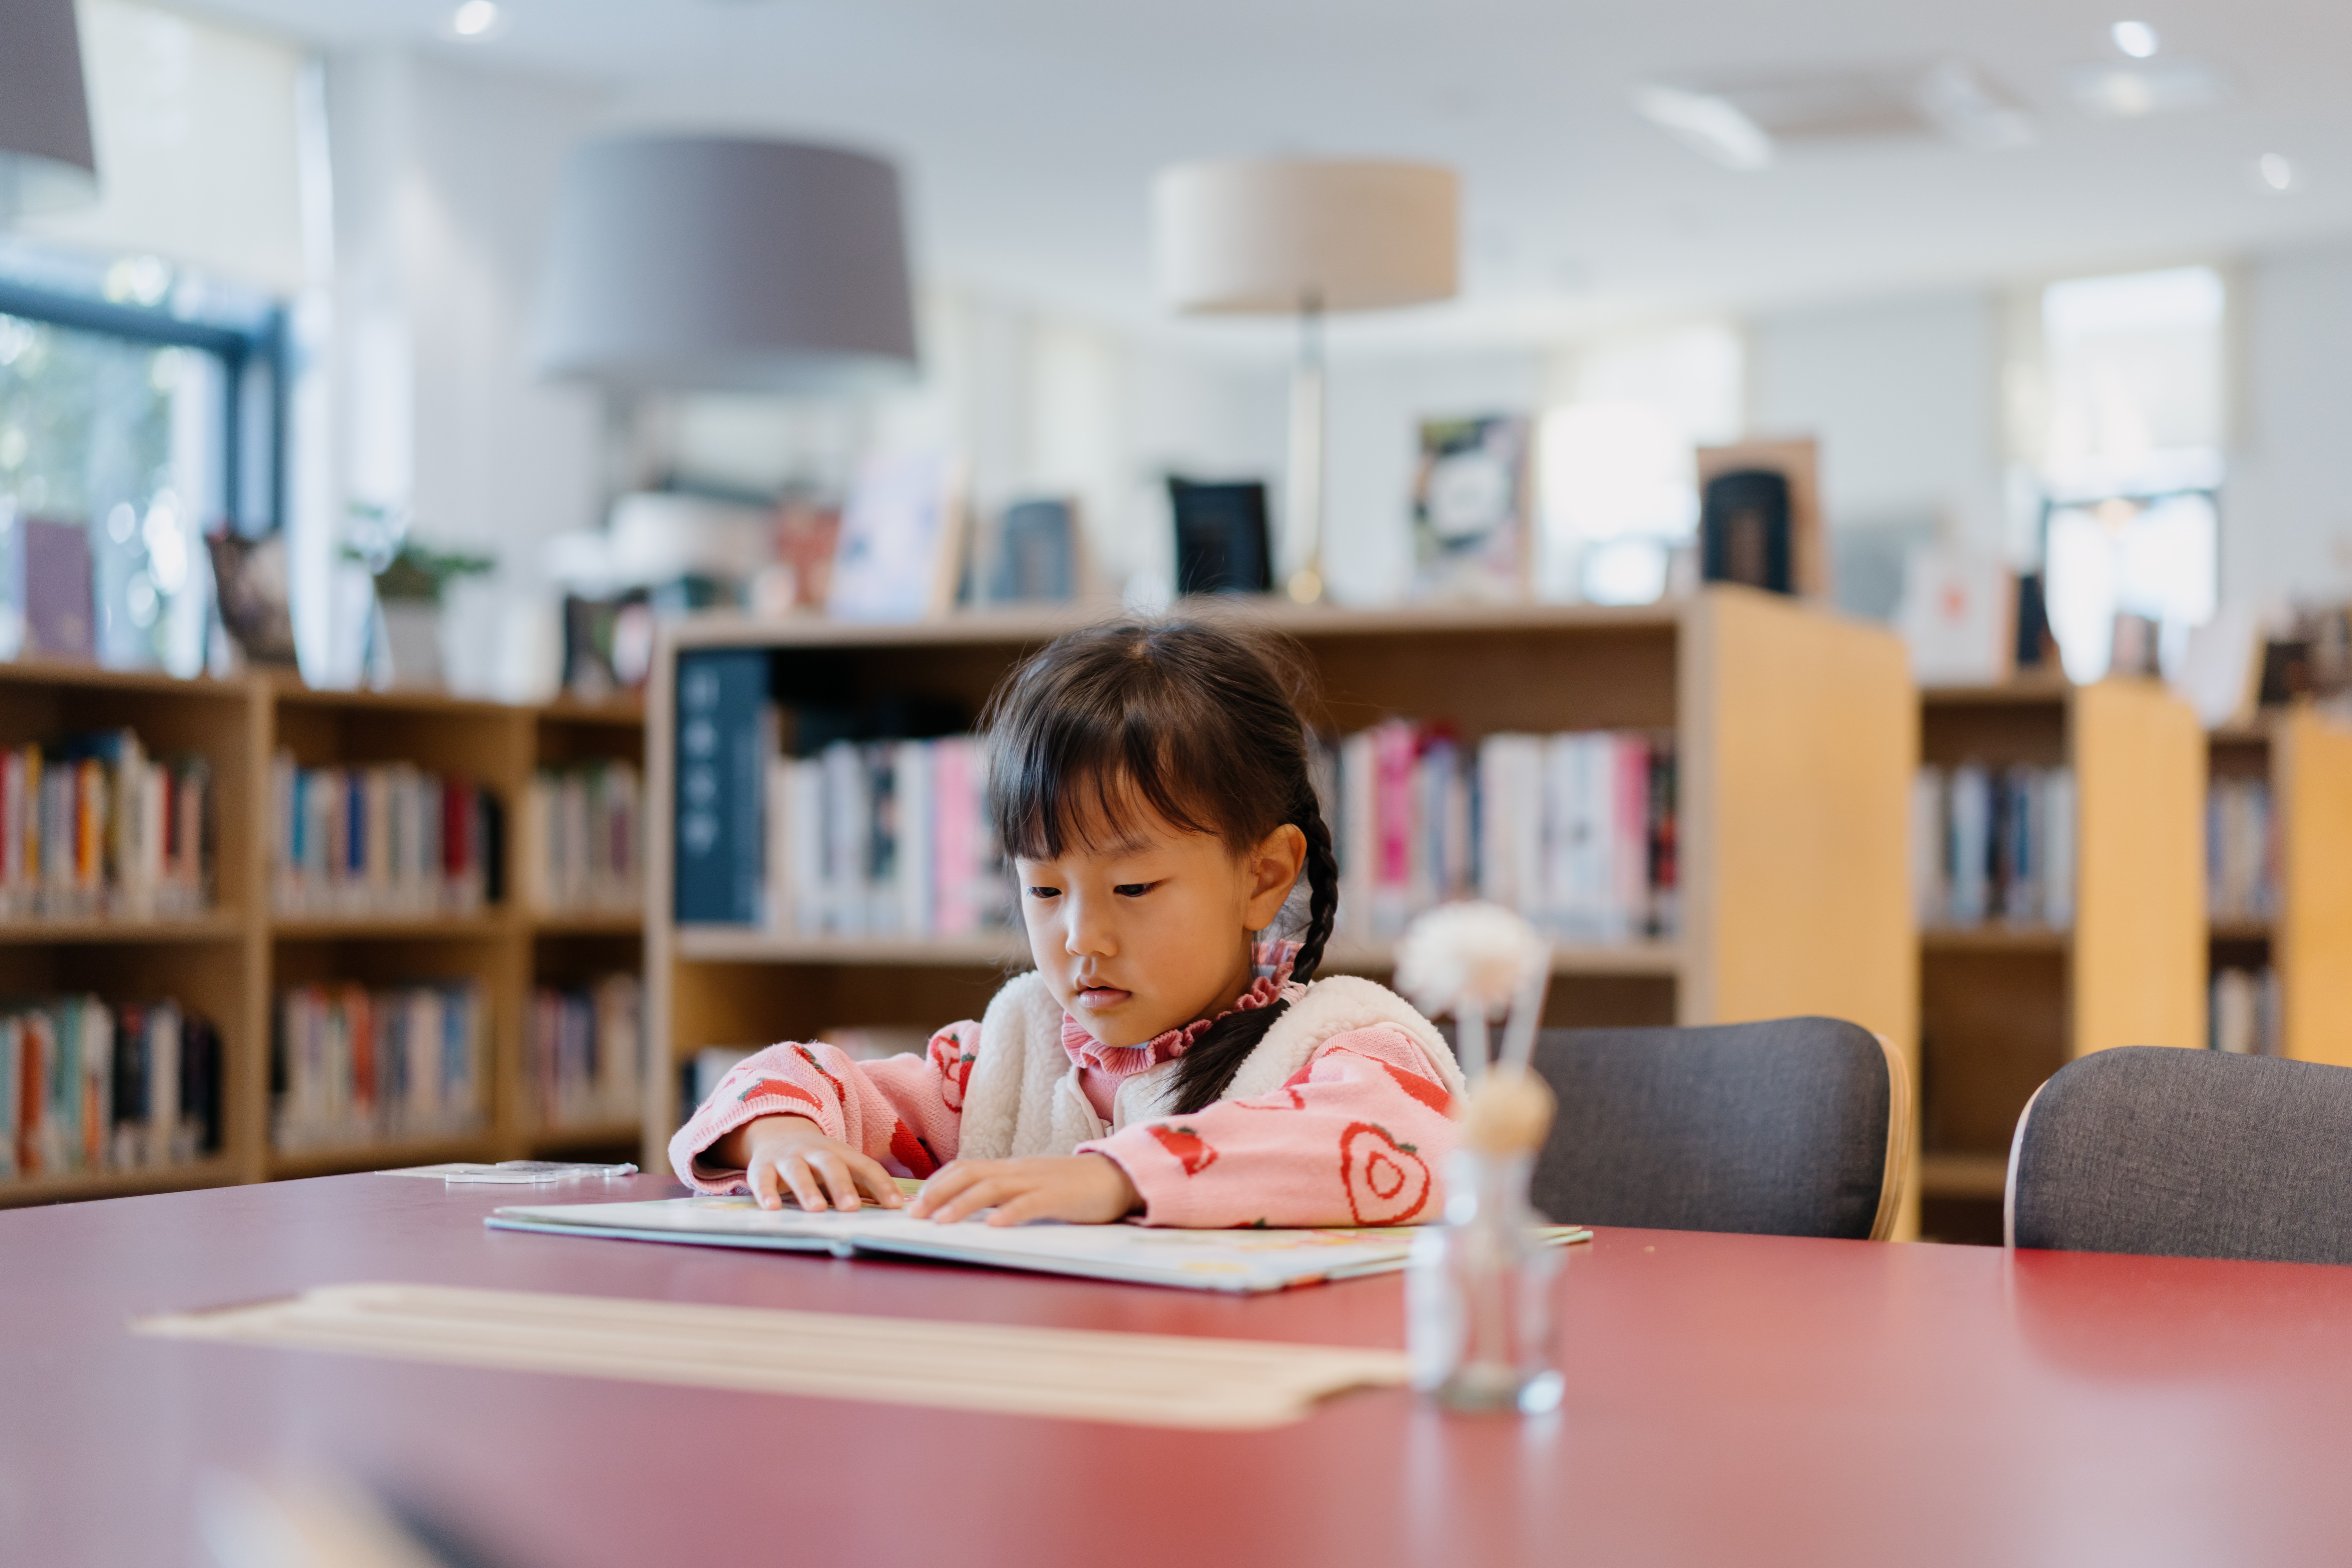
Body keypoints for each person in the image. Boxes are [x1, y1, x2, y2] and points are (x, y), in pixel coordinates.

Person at [671, 618, 1464, 1228]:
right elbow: (818, 1080)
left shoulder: (1339, 1042)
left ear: (1263, 877)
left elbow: (1403, 1143)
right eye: (1045, 890)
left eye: (1134, 885)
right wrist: (779, 1134)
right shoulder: (1012, 1057)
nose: (1083, 936)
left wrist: (1118, 1175)